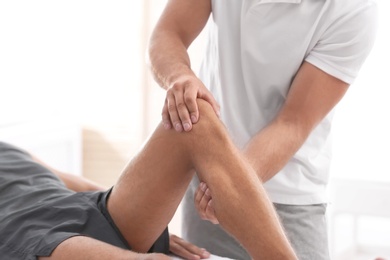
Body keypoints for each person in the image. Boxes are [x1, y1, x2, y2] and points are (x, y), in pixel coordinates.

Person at [148, 0, 377, 259]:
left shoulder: (354, 9)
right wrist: (180, 76)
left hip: (290, 201)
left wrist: (230, 182)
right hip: (207, 183)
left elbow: (292, 123)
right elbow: (169, 32)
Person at [0, 100, 297, 260]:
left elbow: (73, 183)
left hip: (85, 209)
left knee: (195, 119)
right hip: (20, 235)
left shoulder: (7, 148)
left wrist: (152, 223)